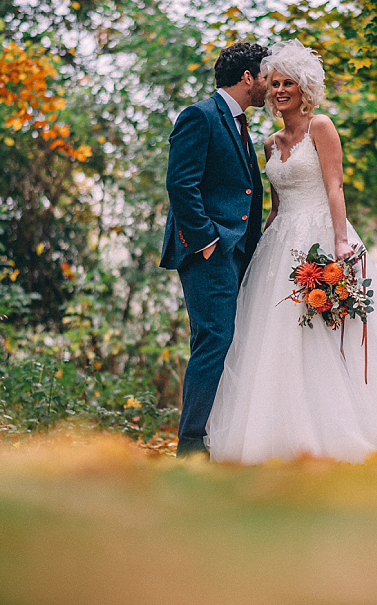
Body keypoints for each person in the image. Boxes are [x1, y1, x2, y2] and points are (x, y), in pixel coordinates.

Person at [204, 40, 377, 464]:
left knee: (330, 334)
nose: (280, 90)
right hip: (279, 244)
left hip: (320, 233)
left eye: (289, 83)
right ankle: (280, 435)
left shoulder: (322, 126)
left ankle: (347, 430)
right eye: (275, 82)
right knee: (276, 339)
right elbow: (275, 205)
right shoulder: (268, 142)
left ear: (305, 88)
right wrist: (258, 248)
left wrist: (340, 241)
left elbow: (335, 186)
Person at [160, 42, 270, 457]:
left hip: (237, 253)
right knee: (214, 338)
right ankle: (191, 444)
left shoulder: (240, 124)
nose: (267, 85)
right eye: (264, 77)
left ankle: (217, 436)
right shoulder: (200, 116)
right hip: (209, 250)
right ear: (247, 77)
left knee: (225, 340)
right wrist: (206, 241)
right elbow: (180, 184)